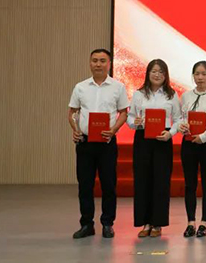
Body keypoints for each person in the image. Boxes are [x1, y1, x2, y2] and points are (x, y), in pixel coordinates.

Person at [68, 49, 129, 239]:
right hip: (85, 142)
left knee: (108, 184)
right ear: (90, 63)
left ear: (109, 64)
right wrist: (75, 129)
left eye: (102, 61)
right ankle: (87, 224)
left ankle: (107, 224)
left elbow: (123, 113)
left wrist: (114, 130)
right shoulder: (80, 87)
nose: (98, 64)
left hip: (107, 142)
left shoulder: (118, 87)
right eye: (94, 60)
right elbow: (72, 112)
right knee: (85, 185)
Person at [127, 59, 182, 238]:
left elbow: (178, 119)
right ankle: (145, 222)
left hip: (162, 140)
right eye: (154, 71)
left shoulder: (171, 95)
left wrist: (170, 133)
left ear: (165, 75)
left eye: (161, 72)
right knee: (142, 181)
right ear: (148, 73)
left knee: (161, 182)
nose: (157, 75)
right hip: (142, 139)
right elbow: (130, 117)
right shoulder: (139, 94)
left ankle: (157, 223)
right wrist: (135, 122)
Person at [178, 61, 206, 238]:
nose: (200, 77)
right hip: (188, 144)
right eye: (197, 74)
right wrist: (182, 127)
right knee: (190, 184)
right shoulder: (186, 96)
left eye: (204, 74)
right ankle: (190, 222)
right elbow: (181, 118)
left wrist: (203, 137)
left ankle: (204, 223)